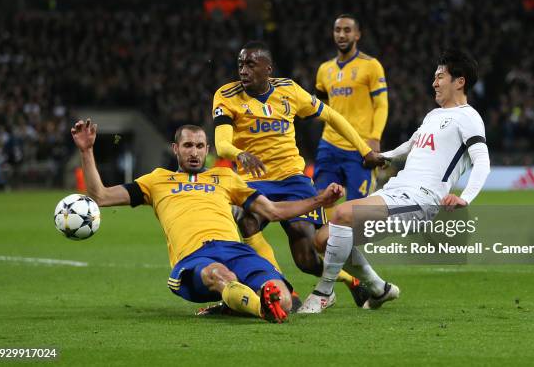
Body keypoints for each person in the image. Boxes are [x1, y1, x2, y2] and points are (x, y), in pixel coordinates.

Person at [71, 119, 344, 323]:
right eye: (188, 145)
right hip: (194, 257)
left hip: (236, 250)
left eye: (200, 146)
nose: (194, 152)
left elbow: (273, 211)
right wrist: (87, 150)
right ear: (175, 148)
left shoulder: (225, 178)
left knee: (283, 298)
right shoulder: (156, 180)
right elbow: (101, 196)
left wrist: (319, 200)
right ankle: (259, 307)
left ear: (207, 149)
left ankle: (251, 303)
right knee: (219, 275)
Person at [298, 49, 491, 313]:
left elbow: (483, 161)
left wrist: (464, 197)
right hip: (397, 190)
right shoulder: (433, 116)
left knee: (342, 213)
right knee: (323, 239)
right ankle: (379, 288)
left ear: (460, 82)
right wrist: (382, 157)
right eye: (434, 77)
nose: (434, 82)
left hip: (422, 199)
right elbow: (411, 145)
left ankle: (324, 292)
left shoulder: (469, 118)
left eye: (440, 77)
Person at [213, 41, 387, 308]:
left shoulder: (288, 90)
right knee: (247, 221)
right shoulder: (226, 95)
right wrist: (238, 154)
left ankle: (352, 281)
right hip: (253, 181)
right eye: (240, 65)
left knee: (306, 258)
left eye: (250, 64)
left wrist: (364, 150)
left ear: (267, 68)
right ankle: (284, 289)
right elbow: (221, 143)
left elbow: (332, 116)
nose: (243, 70)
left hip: (293, 179)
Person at [313, 14, 388, 218]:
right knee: (321, 203)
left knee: (357, 214)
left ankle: (348, 249)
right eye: (338, 30)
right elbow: (323, 108)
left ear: (357, 35)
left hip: (360, 148)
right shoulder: (324, 70)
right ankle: (326, 249)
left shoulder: (371, 65)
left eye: (347, 30)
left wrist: (375, 138)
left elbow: (381, 105)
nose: (342, 34)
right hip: (329, 145)